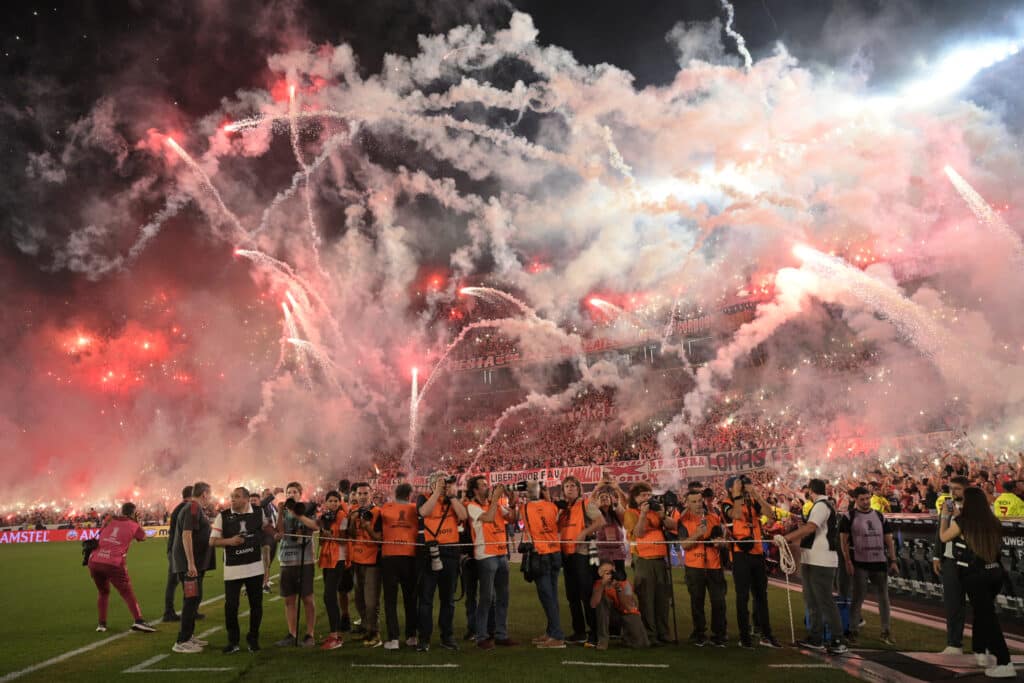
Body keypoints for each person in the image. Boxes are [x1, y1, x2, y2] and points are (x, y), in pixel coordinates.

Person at [940, 487, 1013, 678]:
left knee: (987, 617)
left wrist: (944, 517)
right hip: (995, 573)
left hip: (974, 575)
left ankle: (1004, 661)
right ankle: (980, 650)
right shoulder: (993, 521)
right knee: (983, 612)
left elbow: (943, 537)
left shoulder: (963, 521)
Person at [783, 479, 847, 655]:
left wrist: (788, 537)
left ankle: (837, 638)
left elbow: (811, 528)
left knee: (824, 600)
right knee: (811, 600)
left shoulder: (821, 505)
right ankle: (816, 637)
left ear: (810, 490)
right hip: (813, 558)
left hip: (821, 560)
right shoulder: (822, 505)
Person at [210, 486, 274, 653]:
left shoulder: (259, 512)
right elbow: (213, 541)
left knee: (256, 605)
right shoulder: (222, 516)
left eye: (237, 496)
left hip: (255, 568)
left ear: (246, 499)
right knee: (231, 607)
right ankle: (233, 641)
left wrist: (273, 533)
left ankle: (253, 639)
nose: (232, 499)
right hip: (232, 569)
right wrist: (230, 541)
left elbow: (268, 530)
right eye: (232, 496)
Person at [721, 475, 782, 649]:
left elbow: (771, 514)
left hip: (757, 553)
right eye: (739, 485)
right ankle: (744, 636)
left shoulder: (751, 501)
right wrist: (738, 495)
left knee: (761, 596)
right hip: (740, 555)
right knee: (742, 597)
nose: (743, 487)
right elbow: (737, 514)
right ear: (731, 488)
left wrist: (756, 494)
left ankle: (765, 633)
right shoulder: (726, 502)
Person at [416, 471, 467, 652]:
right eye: (440, 483)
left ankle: (447, 636)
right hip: (430, 551)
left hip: (451, 552)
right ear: (432, 484)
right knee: (426, 599)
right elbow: (424, 512)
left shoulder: (452, 499)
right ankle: (424, 638)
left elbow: (463, 516)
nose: (444, 486)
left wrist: (452, 496)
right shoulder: (423, 498)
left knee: (448, 599)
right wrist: (437, 492)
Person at [840, 486, 897, 646]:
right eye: (862, 499)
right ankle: (853, 631)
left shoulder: (879, 516)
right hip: (859, 562)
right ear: (855, 500)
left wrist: (893, 560)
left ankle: (886, 631)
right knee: (858, 596)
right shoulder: (848, 516)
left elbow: (889, 540)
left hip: (879, 561)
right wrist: (847, 561)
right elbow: (843, 541)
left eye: (867, 498)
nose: (865, 502)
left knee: (883, 597)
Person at [466, 476, 519, 649]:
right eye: (483, 485)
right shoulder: (472, 506)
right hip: (486, 555)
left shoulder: (493, 503)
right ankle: (481, 636)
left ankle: (501, 634)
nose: (487, 487)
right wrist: (496, 499)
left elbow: (512, 519)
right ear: (475, 490)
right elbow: (488, 518)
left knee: (503, 597)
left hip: (501, 552)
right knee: (487, 597)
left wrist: (512, 504)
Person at [87, 502, 156, 634]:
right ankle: (139, 621)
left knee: (103, 592)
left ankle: (101, 624)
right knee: (127, 592)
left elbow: (103, 532)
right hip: (113, 562)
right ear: (133, 513)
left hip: (95, 561)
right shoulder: (133, 525)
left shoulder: (109, 519)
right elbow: (143, 537)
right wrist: (136, 521)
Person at [624, 482, 677, 646]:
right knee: (647, 598)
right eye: (642, 495)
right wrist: (643, 514)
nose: (647, 498)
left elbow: (673, 525)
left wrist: (662, 514)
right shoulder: (630, 512)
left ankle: (663, 632)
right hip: (643, 559)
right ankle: (650, 634)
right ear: (634, 498)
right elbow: (638, 533)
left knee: (662, 598)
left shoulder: (656, 511)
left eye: (648, 494)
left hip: (660, 558)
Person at [678, 490, 727, 647]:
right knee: (697, 602)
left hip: (714, 566)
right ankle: (699, 633)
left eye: (699, 500)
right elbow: (684, 545)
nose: (698, 504)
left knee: (718, 602)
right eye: (694, 501)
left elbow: (722, 541)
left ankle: (718, 634)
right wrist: (698, 533)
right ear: (687, 504)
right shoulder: (683, 521)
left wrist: (721, 543)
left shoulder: (713, 518)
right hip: (694, 567)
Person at [170, 482, 215, 653]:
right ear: (204, 494)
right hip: (189, 564)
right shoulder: (192, 508)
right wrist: (190, 563)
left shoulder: (194, 508)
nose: (210, 498)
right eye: (209, 495)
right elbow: (186, 534)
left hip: (194, 563)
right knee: (190, 599)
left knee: (195, 598)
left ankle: (189, 636)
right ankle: (182, 641)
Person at [522, 481, 566, 648]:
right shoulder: (552, 506)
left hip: (541, 555)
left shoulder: (525, 508)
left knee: (546, 596)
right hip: (555, 553)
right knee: (552, 595)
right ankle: (551, 631)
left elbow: (516, 519)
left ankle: (557, 635)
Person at [274, 482, 319, 647]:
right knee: (289, 599)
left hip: (304, 560)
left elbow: (315, 526)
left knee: (307, 598)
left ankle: (309, 634)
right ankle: (291, 633)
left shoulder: (307, 509)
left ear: (300, 494)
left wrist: (298, 514)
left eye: (294, 491)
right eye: (289, 492)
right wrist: (280, 512)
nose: (291, 494)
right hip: (286, 559)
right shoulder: (283, 511)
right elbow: (279, 532)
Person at [558, 476, 601, 646]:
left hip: (582, 554)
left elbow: (600, 521)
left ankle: (595, 632)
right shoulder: (563, 509)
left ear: (578, 488)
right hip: (567, 555)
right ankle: (579, 631)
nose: (569, 488)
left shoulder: (585, 504)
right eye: (566, 486)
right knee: (572, 596)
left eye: (573, 486)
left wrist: (585, 532)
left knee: (586, 594)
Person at [379, 483, 419, 650]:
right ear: (410, 494)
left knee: (390, 600)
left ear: (395, 494)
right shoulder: (416, 509)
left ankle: (393, 639)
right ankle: (411, 636)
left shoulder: (385, 507)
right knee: (410, 598)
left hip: (390, 556)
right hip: (410, 556)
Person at [932, 476, 969, 655]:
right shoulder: (946, 507)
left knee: (979, 604)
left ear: (966, 490)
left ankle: (984, 646)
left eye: (957, 489)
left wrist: (958, 516)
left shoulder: (974, 509)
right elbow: (939, 533)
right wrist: (936, 557)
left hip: (970, 562)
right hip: (950, 561)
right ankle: (954, 643)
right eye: (951, 488)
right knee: (952, 603)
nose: (953, 492)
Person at [347, 482, 383, 648]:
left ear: (371, 494)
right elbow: (351, 536)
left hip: (372, 561)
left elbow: (379, 538)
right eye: (359, 493)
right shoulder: (353, 511)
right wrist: (352, 521)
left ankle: (375, 633)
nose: (361, 496)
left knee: (371, 601)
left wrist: (367, 525)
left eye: (365, 493)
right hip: (356, 560)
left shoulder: (377, 512)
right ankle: (366, 627)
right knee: (359, 600)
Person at [590, 561, 648, 650]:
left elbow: (628, 606)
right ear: (600, 573)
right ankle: (603, 640)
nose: (609, 574)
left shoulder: (626, 584)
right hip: (609, 616)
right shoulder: (598, 584)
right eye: (606, 572)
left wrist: (619, 588)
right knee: (602, 601)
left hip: (627, 613)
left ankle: (626, 637)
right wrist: (603, 585)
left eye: (611, 571)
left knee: (642, 643)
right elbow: (593, 604)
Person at [318, 490, 349, 650]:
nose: (333, 503)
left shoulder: (342, 517)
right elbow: (322, 541)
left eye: (336, 501)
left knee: (329, 596)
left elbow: (345, 539)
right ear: (326, 502)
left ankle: (335, 636)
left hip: (338, 559)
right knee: (328, 597)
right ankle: (335, 633)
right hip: (327, 558)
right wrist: (324, 535)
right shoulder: (324, 517)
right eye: (330, 501)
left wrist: (331, 536)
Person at [163, 486, 192, 622]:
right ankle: (185, 611)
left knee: (175, 581)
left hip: (175, 548)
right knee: (187, 579)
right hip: (178, 550)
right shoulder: (186, 508)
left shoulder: (179, 508)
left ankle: (171, 611)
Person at [256, 487, 282, 594]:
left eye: (269, 494)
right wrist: (273, 494)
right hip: (264, 536)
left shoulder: (273, 506)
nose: (268, 496)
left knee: (270, 559)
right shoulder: (262, 505)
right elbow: (263, 503)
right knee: (265, 560)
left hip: (273, 536)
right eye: (267, 494)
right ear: (263, 495)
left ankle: (266, 579)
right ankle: (264, 584)